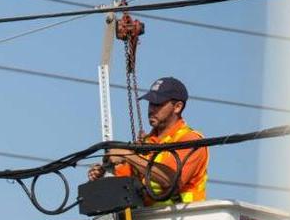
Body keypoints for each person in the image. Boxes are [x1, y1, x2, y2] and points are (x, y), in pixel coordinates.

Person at [88, 77, 208, 205]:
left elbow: (170, 179)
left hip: (185, 216)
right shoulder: (146, 143)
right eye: (151, 103)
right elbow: (124, 182)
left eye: (158, 104)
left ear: (177, 107)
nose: (151, 109)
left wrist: (127, 155)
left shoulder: (191, 140)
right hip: (149, 216)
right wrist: (103, 173)